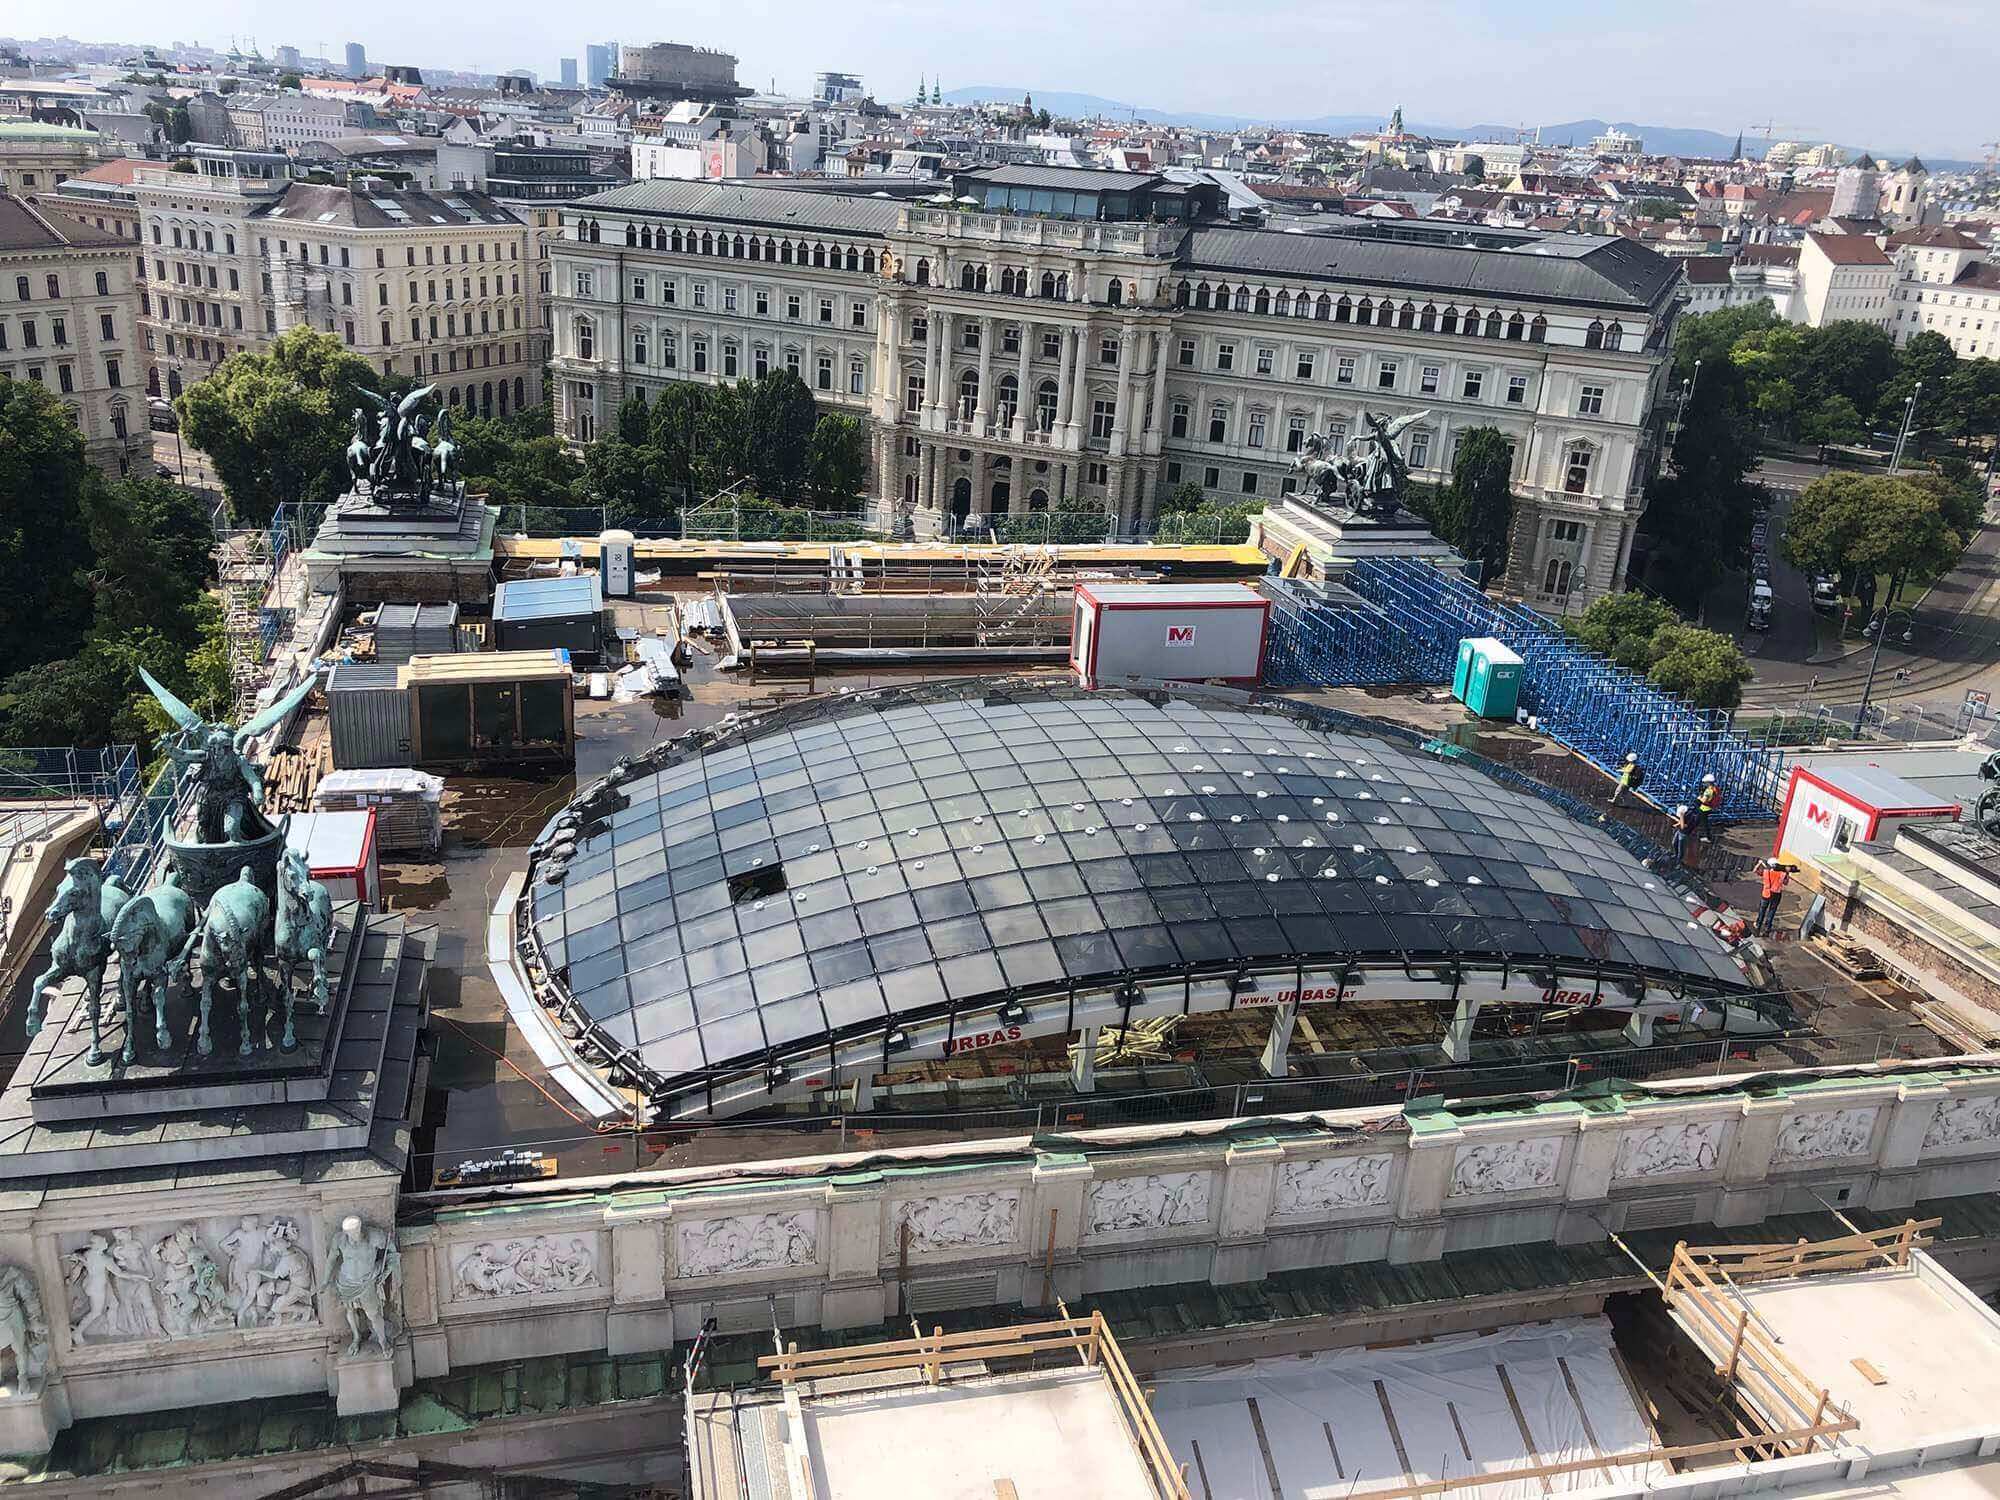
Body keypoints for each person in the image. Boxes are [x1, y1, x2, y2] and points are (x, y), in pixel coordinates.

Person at [1755, 858, 1791, 937]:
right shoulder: (1782, 873)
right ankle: (1767, 927)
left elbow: (1755, 871)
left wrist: (1759, 863)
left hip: (1766, 893)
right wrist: (1787, 874)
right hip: (1776, 894)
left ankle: (1758, 924)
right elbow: (1786, 883)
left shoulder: (1766, 872)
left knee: (1762, 910)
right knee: (1772, 911)